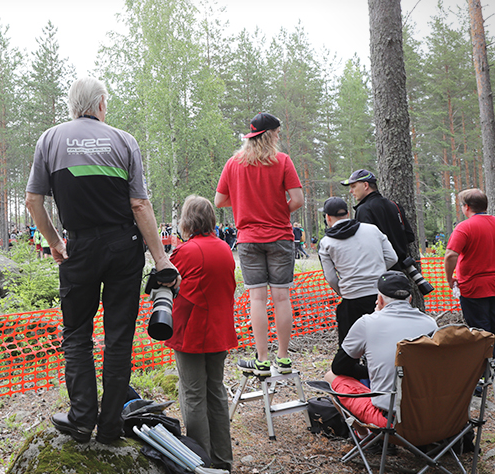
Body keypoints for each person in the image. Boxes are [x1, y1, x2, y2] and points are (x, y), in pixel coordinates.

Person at [26, 76, 179, 444]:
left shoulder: (49, 139)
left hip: (78, 248)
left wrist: (54, 243)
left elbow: (34, 200)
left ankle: (81, 418)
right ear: (100, 105)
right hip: (123, 247)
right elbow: (139, 204)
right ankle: (110, 426)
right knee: (118, 337)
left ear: (72, 105)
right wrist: (160, 260)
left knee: (77, 334)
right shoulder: (125, 141)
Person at [215, 112, 304, 376]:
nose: (279, 136)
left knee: (257, 298)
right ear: (269, 135)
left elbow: (219, 200)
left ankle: (262, 359)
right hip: (280, 237)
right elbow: (298, 199)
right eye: (277, 132)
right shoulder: (282, 161)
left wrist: (245, 203)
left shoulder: (233, 164)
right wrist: (277, 210)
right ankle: (284, 358)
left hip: (249, 239)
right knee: (281, 297)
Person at [165, 196, 236, 471]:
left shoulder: (185, 251)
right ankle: (222, 460)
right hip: (219, 331)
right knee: (215, 393)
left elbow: (166, 286)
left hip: (192, 333)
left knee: (193, 395)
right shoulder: (224, 248)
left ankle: (200, 462)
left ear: (187, 221)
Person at [325, 271, 437, 426]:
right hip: (430, 415)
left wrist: (371, 371)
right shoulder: (430, 324)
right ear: (410, 299)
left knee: (330, 376)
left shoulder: (367, 323)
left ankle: (365, 435)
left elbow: (339, 367)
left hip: (390, 421)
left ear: (380, 300)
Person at [317, 197, 397, 344]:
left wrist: (344, 291)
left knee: (349, 346)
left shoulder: (326, 242)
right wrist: (377, 272)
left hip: (351, 299)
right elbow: (392, 258)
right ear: (348, 213)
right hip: (380, 296)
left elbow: (330, 278)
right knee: (383, 341)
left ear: (327, 217)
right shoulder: (372, 229)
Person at [444, 188, 495, 353]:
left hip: (474, 288)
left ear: (466, 207)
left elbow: (451, 255)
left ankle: (486, 369)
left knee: (480, 331)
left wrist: (449, 278)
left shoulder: (464, 227)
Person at [341, 169, 414, 270]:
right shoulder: (394, 206)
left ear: (366, 185)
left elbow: (364, 246)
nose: (351, 191)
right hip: (400, 272)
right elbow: (410, 236)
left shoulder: (364, 209)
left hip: (378, 272)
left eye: (353, 186)